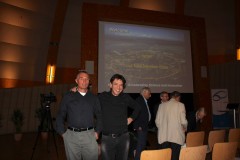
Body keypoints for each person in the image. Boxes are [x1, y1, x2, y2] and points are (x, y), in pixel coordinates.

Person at [56, 70, 102, 160]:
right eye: (81, 78)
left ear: (89, 82)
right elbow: (61, 114)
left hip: (90, 136)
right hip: (71, 136)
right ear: (76, 81)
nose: (84, 81)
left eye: (86, 79)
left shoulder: (94, 98)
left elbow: (100, 116)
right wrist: (62, 133)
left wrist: (98, 132)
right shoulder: (68, 96)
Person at [98, 73, 140, 160]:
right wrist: (77, 90)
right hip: (107, 138)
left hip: (124, 138)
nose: (118, 87)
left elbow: (137, 107)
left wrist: (131, 118)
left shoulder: (125, 97)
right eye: (116, 84)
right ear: (110, 85)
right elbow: (89, 101)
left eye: (121, 85)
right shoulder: (103, 96)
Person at [155, 91, 188, 160]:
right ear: (178, 97)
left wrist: (162, 129)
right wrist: (185, 127)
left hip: (164, 135)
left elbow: (157, 121)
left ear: (171, 97)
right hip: (176, 135)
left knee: (165, 156)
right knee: (175, 156)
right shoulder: (180, 105)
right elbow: (183, 121)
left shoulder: (161, 105)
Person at [133, 87, 151, 160]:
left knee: (142, 144)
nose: (150, 95)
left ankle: (141, 158)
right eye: (149, 93)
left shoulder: (143, 100)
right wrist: (138, 125)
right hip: (141, 126)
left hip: (144, 126)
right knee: (141, 145)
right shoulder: (139, 100)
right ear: (144, 93)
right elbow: (136, 113)